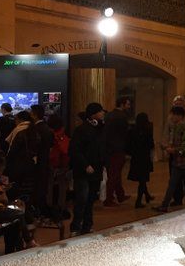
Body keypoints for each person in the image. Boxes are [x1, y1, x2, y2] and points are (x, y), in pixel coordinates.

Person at [156, 106, 185, 211]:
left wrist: (173, 150)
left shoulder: (184, 128)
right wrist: (166, 146)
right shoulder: (175, 127)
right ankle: (164, 205)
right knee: (172, 185)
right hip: (177, 162)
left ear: (178, 116)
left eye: (172, 114)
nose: (171, 117)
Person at [69, 103, 106, 236]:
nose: (103, 113)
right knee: (82, 199)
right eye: (100, 111)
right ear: (93, 114)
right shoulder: (81, 130)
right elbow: (75, 150)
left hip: (96, 170)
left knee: (90, 200)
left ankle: (87, 225)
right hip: (83, 172)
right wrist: (85, 165)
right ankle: (75, 226)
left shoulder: (101, 129)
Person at [4, 110, 40, 204]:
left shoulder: (19, 130)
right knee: (27, 190)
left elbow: (13, 148)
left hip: (18, 164)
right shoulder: (34, 129)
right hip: (31, 163)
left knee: (16, 188)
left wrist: (7, 161)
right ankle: (27, 210)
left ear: (20, 119)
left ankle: (17, 210)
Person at [102, 97, 132, 206]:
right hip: (118, 149)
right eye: (128, 104)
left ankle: (120, 195)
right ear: (122, 104)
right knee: (115, 175)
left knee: (115, 173)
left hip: (108, 149)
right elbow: (125, 135)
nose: (129, 106)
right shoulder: (122, 117)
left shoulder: (108, 115)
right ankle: (108, 199)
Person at [30, 104, 54, 219]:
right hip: (45, 162)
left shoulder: (35, 129)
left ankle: (37, 212)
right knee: (42, 188)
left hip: (37, 164)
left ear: (34, 114)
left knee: (36, 188)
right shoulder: (47, 128)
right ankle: (42, 211)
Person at [127, 112, 155, 208]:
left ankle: (147, 196)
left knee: (141, 179)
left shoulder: (132, 130)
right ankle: (138, 201)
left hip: (136, 158)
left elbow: (129, 145)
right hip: (145, 158)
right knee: (143, 180)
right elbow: (151, 145)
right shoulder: (147, 131)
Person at [47, 114, 71, 222]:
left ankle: (51, 210)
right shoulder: (64, 136)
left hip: (53, 165)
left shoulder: (51, 136)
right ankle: (61, 208)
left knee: (50, 187)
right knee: (62, 188)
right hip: (64, 165)